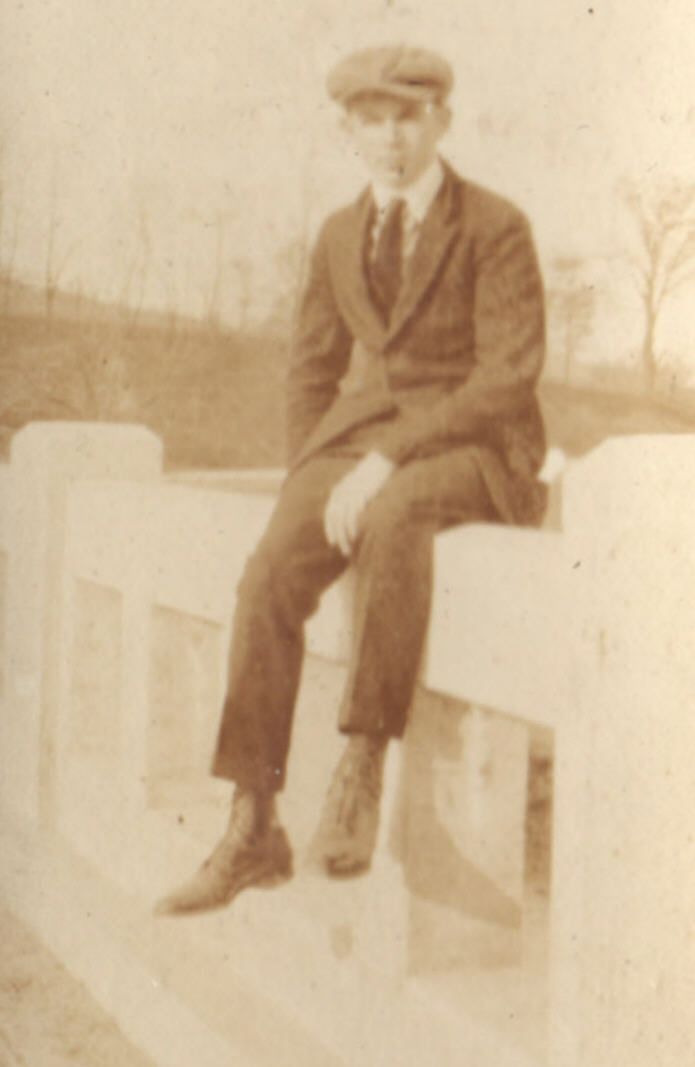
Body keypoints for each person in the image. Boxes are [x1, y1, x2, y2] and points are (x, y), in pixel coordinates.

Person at [156, 45, 547, 915]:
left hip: (477, 447)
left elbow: (504, 380)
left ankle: (362, 764)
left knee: (394, 512)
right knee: (269, 569)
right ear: (348, 133)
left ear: (441, 121)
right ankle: (253, 821)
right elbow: (310, 369)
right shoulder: (339, 233)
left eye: (407, 117)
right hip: (360, 440)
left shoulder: (494, 226)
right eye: (371, 122)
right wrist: (308, 480)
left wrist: (382, 459)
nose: (390, 139)